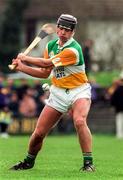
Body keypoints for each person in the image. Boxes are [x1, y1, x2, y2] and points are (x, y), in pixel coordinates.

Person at [10, 14, 95, 172]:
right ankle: (28, 162)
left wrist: (25, 57)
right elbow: (44, 72)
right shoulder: (50, 46)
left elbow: (47, 62)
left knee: (79, 121)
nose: (63, 32)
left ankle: (88, 163)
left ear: (72, 33)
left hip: (79, 91)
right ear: (57, 28)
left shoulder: (73, 50)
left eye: (67, 30)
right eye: (61, 28)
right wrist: (22, 67)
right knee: (39, 132)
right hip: (58, 92)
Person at [110, 73, 123, 138]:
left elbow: (113, 99)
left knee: (119, 121)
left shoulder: (117, 89)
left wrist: (113, 105)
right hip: (119, 108)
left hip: (119, 108)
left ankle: (119, 135)